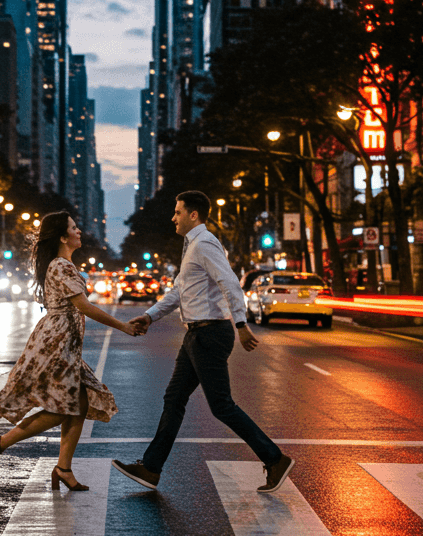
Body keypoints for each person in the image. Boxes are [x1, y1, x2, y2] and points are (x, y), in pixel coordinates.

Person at [112, 190, 293, 494]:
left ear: (193, 215)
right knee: (174, 399)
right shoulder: (193, 246)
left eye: (178, 212)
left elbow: (230, 283)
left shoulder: (204, 244)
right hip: (196, 333)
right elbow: (180, 292)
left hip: (209, 333)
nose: (173, 217)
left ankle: (274, 459)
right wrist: (151, 315)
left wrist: (241, 324)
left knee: (221, 405)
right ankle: (151, 468)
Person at [0, 211, 130, 491]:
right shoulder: (61, 266)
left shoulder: (62, 264)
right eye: (74, 228)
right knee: (64, 408)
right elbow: (84, 306)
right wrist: (123, 326)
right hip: (56, 344)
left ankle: (63, 468)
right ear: (62, 237)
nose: (79, 231)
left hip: (64, 341)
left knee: (80, 403)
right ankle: (0, 443)